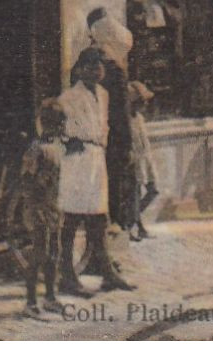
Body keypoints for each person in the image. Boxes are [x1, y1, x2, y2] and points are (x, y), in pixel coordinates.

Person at [58, 48, 134, 294]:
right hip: (77, 160)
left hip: (96, 158)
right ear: (79, 70)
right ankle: (67, 276)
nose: (95, 70)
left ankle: (107, 273)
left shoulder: (103, 94)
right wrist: (68, 140)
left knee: (99, 218)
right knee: (72, 217)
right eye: (89, 66)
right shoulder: (69, 97)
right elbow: (54, 126)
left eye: (98, 66)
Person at [85, 8, 138, 235]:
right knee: (114, 188)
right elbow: (122, 114)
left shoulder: (83, 62)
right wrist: (127, 145)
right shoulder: (115, 70)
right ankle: (108, 251)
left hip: (87, 138)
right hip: (112, 139)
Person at [19, 99, 67, 318]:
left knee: (54, 253)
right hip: (39, 208)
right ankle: (30, 302)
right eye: (56, 123)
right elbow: (27, 180)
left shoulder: (58, 147)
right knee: (40, 252)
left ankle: (50, 297)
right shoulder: (36, 149)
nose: (59, 128)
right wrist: (39, 182)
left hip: (54, 208)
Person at [126, 81, 159, 240]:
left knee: (153, 190)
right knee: (135, 193)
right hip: (135, 161)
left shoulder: (139, 118)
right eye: (141, 101)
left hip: (145, 159)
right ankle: (136, 226)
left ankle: (130, 222)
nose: (145, 104)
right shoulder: (125, 120)